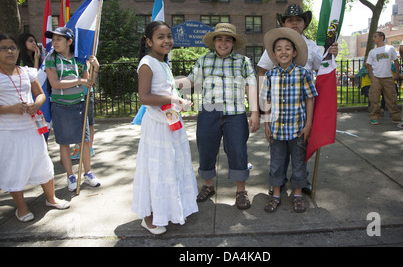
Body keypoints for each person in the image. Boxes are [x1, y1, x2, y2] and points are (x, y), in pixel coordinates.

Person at [257, 4, 338, 195]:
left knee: (301, 147)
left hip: (303, 106)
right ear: (283, 22)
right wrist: (262, 106)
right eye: (290, 20)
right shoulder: (277, 45)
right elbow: (263, 71)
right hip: (278, 106)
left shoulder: (311, 46)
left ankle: (301, 181)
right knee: (279, 151)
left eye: (299, 20)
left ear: (304, 23)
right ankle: (279, 180)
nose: (294, 23)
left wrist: (330, 53)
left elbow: (322, 68)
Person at [177, 23, 260, 210]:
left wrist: (255, 112)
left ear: (233, 42)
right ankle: (208, 186)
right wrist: (169, 80)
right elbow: (190, 81)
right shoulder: (203, 60)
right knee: (205, 149)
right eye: (219, 39)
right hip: (209, 113)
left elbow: (251, 87)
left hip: (235, 114)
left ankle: (241, 191)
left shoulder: (243, 61)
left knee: (238, 151)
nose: (223, 43)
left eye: (228, 39)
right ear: (214, 42)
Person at [132, 21, 198, 235]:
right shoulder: (147, 63)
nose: (167, 40)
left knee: (171, 167)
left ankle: (170, 209)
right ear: (149, 41)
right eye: (160, 37)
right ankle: (149, 216)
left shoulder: (163, 63)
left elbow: (168, 92)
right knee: (156, 170)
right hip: (157, 128)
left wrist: (180, 101)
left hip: (171, 123)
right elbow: (145, 97)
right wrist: (173, 99)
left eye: (169, 36)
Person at [0, 33, 69, 222]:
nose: (9, 51)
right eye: (4, 48)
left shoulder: (26, 71)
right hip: (8, 131)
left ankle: (51, 198)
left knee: (42, 161)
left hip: (32, 127)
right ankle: (21, 208)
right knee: (13, 167)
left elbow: (40, 94)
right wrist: (10, 109)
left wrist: (36, 105)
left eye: (12, 47)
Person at [260, 27, 317, 213]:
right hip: (276, 130)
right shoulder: (270, 76)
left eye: (287, 48)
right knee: (276, 162)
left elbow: (310, 98)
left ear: (294, 52)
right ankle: (276, 194)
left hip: (298, 129)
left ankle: (298, 195)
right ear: (274, 54)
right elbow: (267, 101)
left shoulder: (303, 74)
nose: (283, 51)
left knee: (299, 162)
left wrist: (308, 124)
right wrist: (266, 124)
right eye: (279, 49)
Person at [44, 27, 101, 191]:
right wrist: (79, 81)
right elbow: (55, 84)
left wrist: (95, 68)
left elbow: (89, 83)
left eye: (59, 39)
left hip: (79, 104)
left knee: (85, 140)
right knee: (64, 143)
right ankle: (70, 175)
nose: (54, 42)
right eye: (53, 39)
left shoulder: (78, 60)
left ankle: (88, 173)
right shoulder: (51, 59)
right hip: (60, 106)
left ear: (69, 41)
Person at [366, 31, 401, 125]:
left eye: (375, 36)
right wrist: (372, 76)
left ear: (381, 37)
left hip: (388, 77)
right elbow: (368, 64)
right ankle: (374, 117)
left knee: (391, 98)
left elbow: (396, 61)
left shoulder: (390, 48)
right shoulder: (372, 51)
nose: (373, 38)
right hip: (376, 78)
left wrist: (397, 73)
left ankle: (396, 117)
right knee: (374, 98)